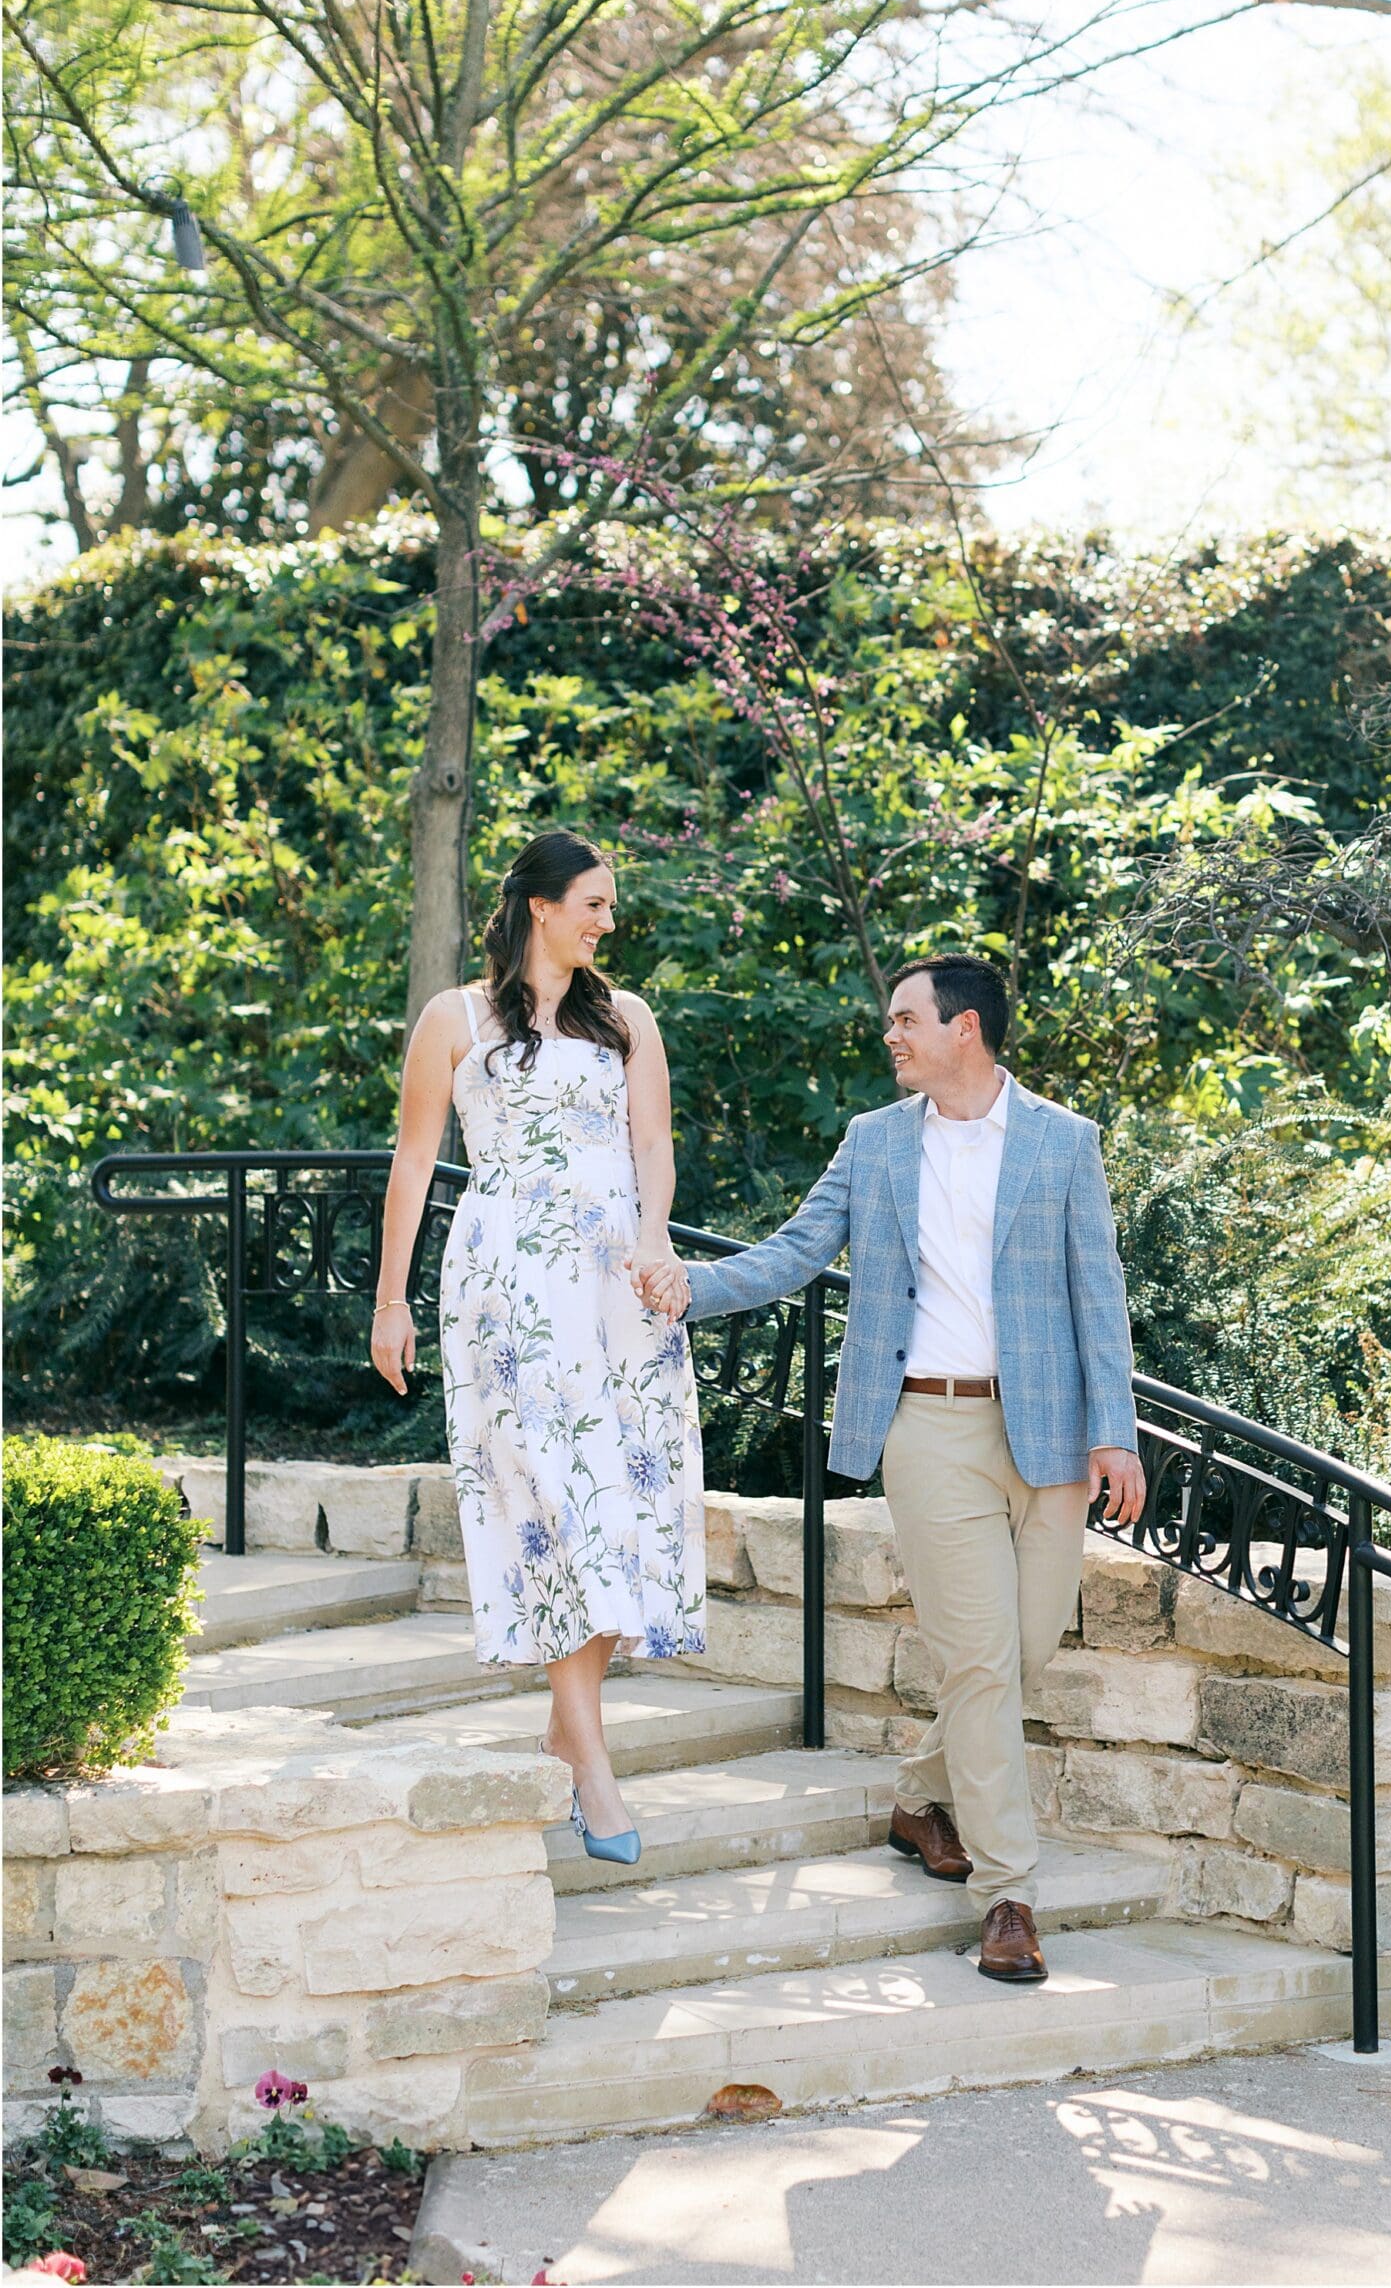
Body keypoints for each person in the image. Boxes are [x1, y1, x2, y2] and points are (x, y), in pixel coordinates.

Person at [637, 953, 1144, 1982]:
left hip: (1048, 1434)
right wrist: (690, 1286)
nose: (891, 1035)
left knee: (1022, 1654)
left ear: (966, 1028)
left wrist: (1116, 1431)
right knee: (981, 1661)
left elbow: (1098, 1293)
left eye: (907, 1019)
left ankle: (919, 1797)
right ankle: (1008, 1895)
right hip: (927, 1429)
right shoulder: (874, 1142)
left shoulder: (1062, 1140)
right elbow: (795, 1252)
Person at [370, 828, 705, 1867]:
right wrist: (390, 1299)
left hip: (618, 1284)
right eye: (594, 903)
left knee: (618, 1506)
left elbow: (653, 1142)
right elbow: (414, 1161)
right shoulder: (454, 1017)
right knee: (552, 1501)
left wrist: (656, 1239)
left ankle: (567, 1734)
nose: (608, 920)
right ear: (540, 906)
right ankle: (593, 1771)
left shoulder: (627, 1017)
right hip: (507, 1282)